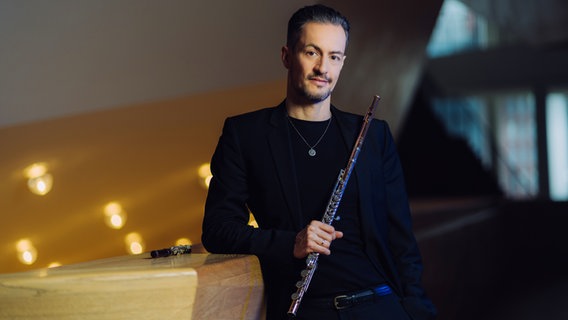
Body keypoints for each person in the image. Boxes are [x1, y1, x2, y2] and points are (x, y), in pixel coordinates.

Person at [202, 4, 436, 320]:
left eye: (334, 56)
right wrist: (291, 242)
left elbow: (401, 240)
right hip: (306, 310)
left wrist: (417, 311)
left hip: (380, 304)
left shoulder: (373, 135)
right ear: (287, 56)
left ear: (342, 63)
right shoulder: (246, 134)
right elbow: (218, 230)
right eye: (312, 53)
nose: (323, 67)